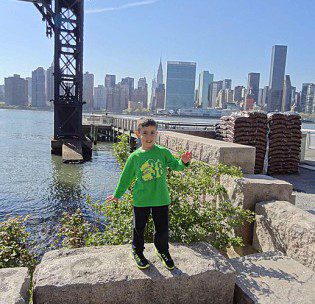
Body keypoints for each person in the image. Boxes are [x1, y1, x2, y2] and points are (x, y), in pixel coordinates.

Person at [106, 118, 192, 270]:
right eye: (145, 133)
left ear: (156, 134)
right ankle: (137, 251)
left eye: (152, 133)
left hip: (161, 198)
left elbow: (176, 166)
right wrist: (117, 194)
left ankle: (162, 250)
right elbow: (126, 177)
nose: (149, 136)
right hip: (141, 199)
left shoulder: (163, 152)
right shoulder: (135, 157)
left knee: (162, 228)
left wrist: (183, 161)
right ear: (138, 134)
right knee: (138, 228)